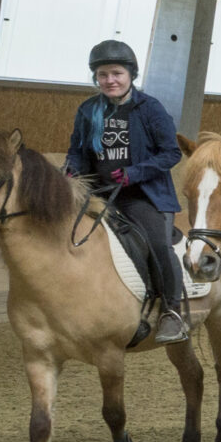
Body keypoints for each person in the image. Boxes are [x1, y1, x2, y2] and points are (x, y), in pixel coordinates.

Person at [65, 39, 188, 344]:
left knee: (157, 244)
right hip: (97, 193)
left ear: (131, 74)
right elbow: (77, 151)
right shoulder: (88, 110)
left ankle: (172, 310)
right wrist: (71, 172)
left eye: (117, 73)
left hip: (141, 195)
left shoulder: (150, 108)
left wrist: (134, 173)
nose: (110, 80)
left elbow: (171, 153)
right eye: (103, 74)